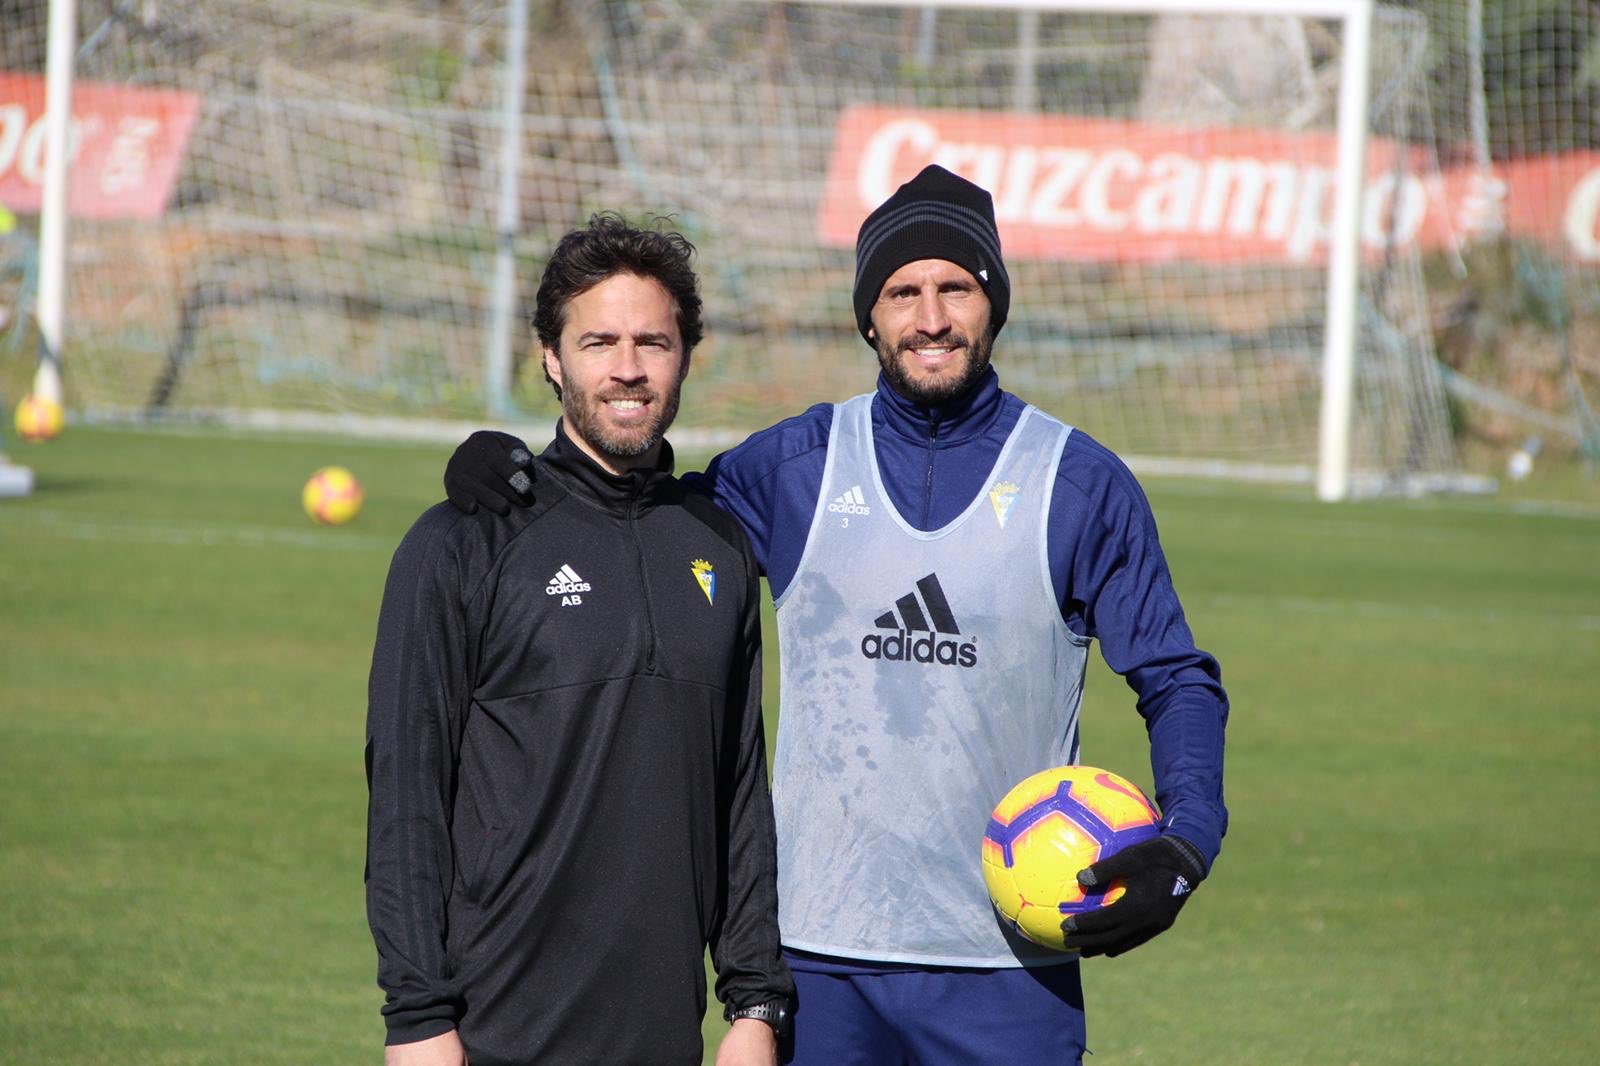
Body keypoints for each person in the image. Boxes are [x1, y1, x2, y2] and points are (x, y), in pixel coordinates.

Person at [443, 167, 1229, 1064]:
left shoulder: (1079, 484)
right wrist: (513, 474)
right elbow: (635, 518)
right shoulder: (795, 467)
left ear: (994, 304)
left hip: (1010, 965)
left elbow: (1176, 680)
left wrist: (1188, 838)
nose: (930, 317)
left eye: (955, 289)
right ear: (868, 316)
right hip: (817, 966)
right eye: (902, 292)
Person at [365, 213, 794, 1066]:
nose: (628, 370)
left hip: (666, 1039)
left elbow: (738, 788)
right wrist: (417, 1020)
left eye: (653, 343)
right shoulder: (464, 541)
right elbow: (407, 791)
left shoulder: (718, 544)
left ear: (685, 357)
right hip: (493, 1036)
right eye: (599, 342)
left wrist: (756, 1004)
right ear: (553, 358)